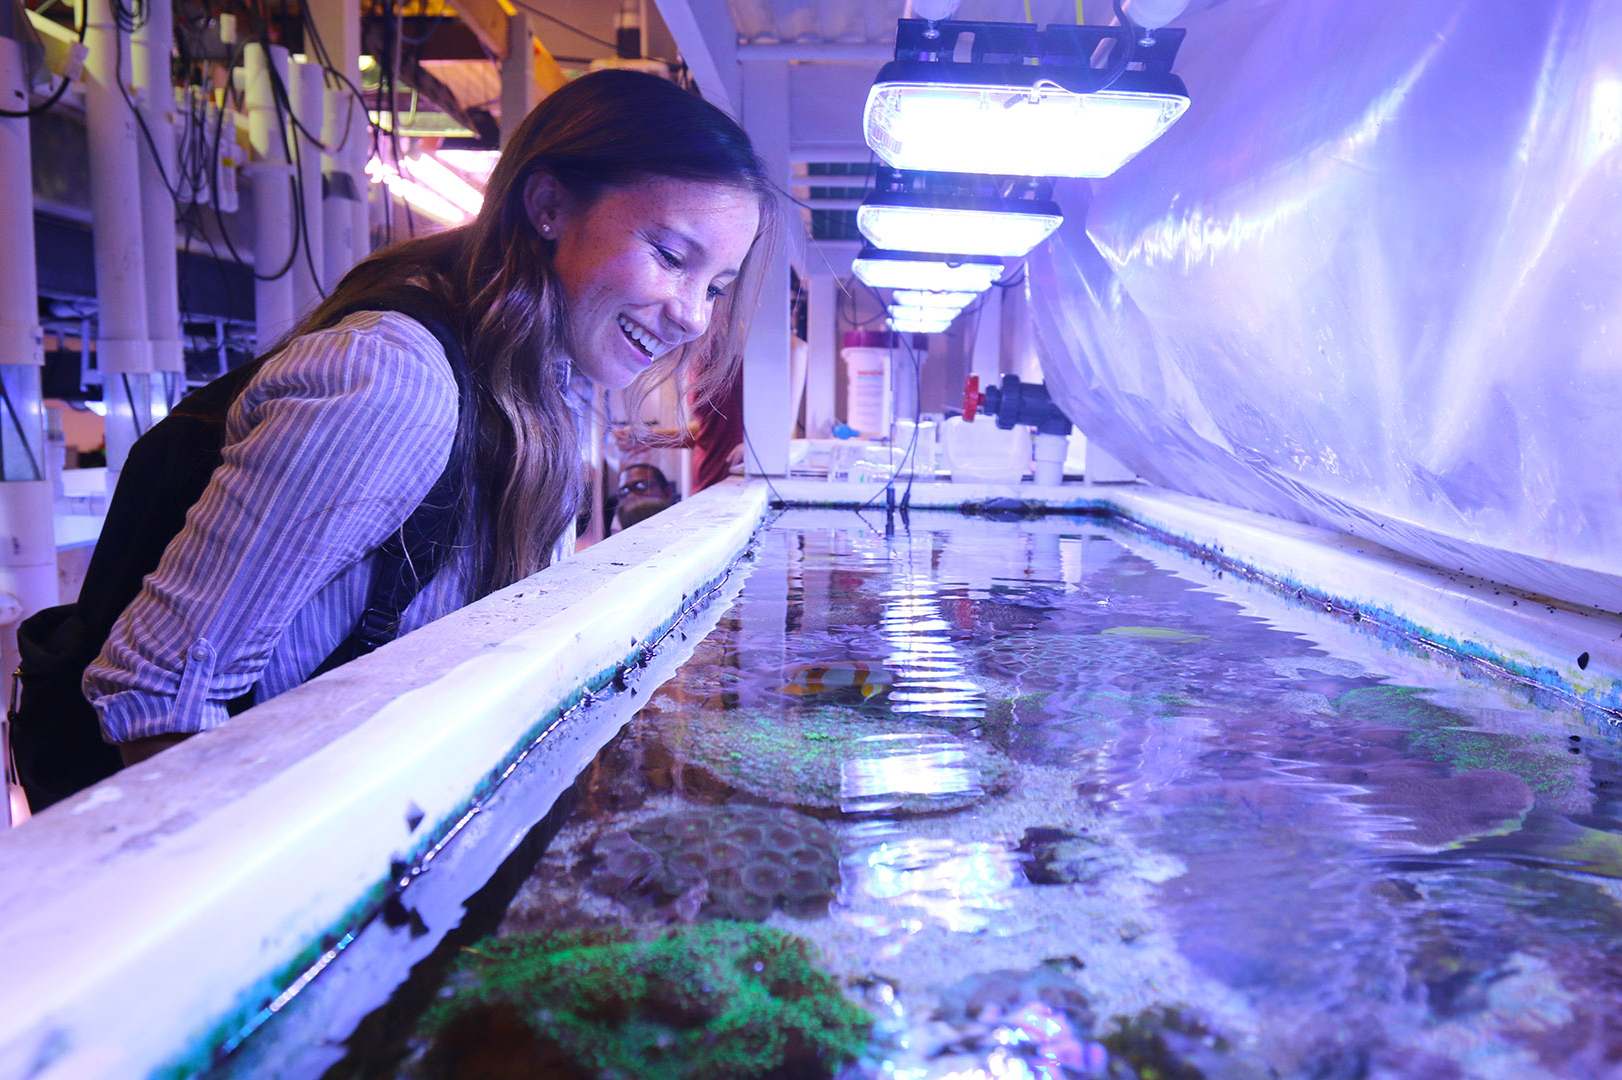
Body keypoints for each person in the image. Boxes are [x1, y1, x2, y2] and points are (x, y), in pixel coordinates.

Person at [84, 70, 775, 765]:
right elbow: (157, 692)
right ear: (548, 205)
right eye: (669, 256)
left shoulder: (546, 386)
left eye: (715, 286)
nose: (692, 315)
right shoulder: (395, 380)